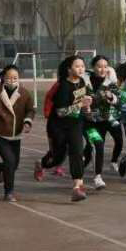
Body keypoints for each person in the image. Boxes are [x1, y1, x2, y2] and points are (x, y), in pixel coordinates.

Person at [40, 56, 93, 201]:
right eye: (77, 66)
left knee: (77, 152)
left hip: (75, 124)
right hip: (58, 126)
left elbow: (81, 102)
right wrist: (80, 105)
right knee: (57, 158)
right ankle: (41, 164)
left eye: (82, 66)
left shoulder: (82, 82)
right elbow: (60, 112)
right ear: (69, 69)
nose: (81, 69)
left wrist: (87, 106)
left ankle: (77, 187)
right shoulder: (63, 86)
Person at [0, 64, 35, 202]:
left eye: (15, 78)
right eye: (9, 78)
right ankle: (9, 192)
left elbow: (30, 110)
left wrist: (27, 122)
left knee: (14, 164)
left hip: (15, 134)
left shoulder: (24, 93)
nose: (12, 80)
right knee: (10, 161)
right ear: (3, 77)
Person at [82, 55, 122, 189]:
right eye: (99, 66)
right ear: (93, 67)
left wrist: (112, 97)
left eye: (105, 66)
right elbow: (90, 100)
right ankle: (97, 177)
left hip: (103, 121)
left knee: (91, 149)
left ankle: (80, 168)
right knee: (97, 144)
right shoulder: (83, 81)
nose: (102, 69)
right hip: (88, 122)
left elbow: (120, 102)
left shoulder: (111, 83)